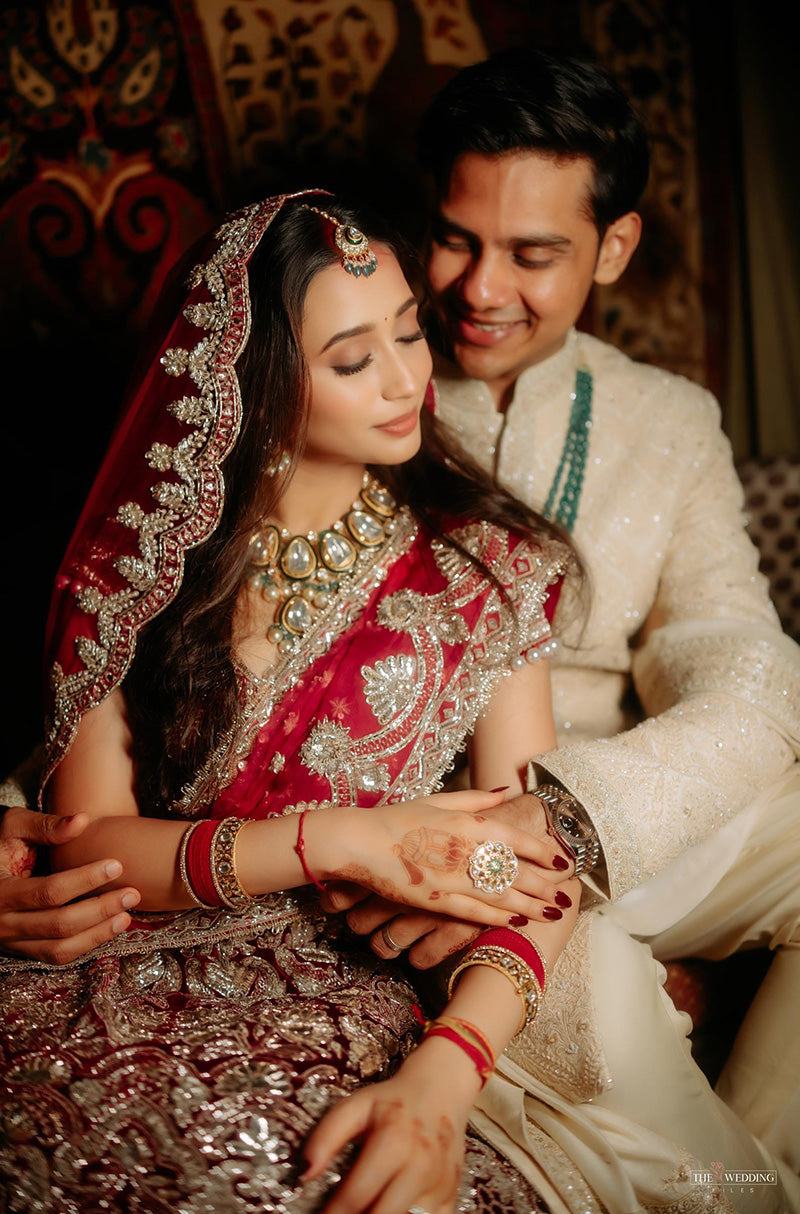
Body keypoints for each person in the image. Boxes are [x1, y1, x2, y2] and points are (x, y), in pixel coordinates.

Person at [0, 189, 585, 1213]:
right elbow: (89, 850)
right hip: (118, 969)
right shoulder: (140, 568)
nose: (409, 378)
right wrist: (342, 838)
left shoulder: (483, 568)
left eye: (409, 332)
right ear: (257, 386)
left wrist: (445, 1071)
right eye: (355, 358)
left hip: (343, 992)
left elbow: (525, 862)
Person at [322, 47, 800, 1185]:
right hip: (425, 839)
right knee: (588, 994)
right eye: (454, 236)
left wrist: (573, 821)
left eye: (533, 254)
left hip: (619, 806)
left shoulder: (667, 417)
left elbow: (743, 661)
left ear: (613, 247)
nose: (480, 289)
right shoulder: (344, 376)